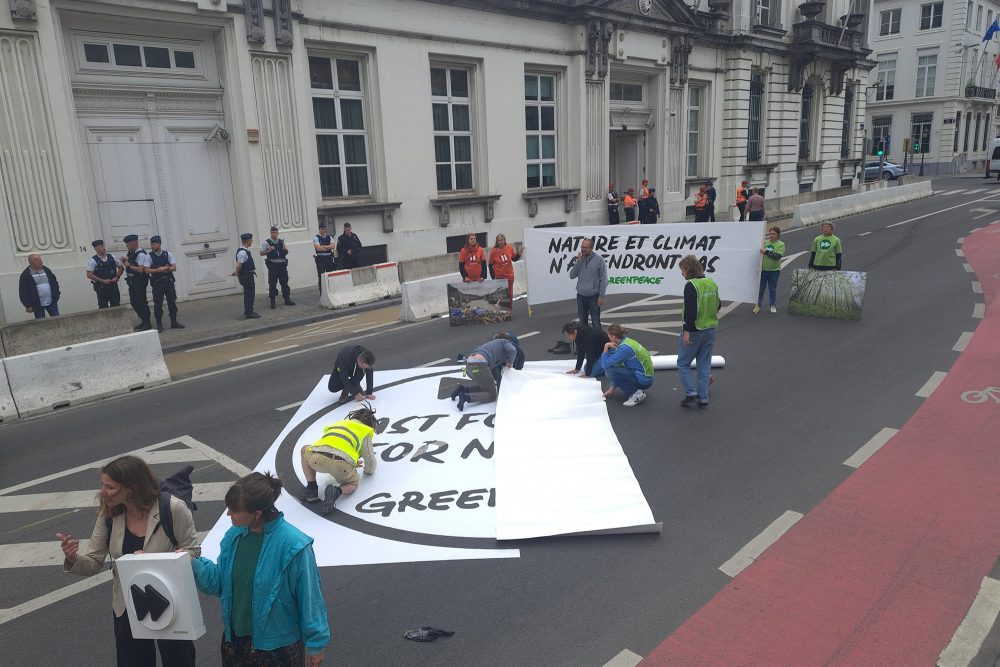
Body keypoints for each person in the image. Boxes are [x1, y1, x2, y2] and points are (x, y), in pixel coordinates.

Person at [57, 455, 199, 667]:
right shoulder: (109, 513)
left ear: (132, 488)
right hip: (128, 602)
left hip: (171, 598)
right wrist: (72, 557)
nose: (103, 492)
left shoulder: (173, 508)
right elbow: (94, 560)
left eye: (110, 487)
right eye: (103, 485)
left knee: (178, 660)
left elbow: (193, 552)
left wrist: (154, 560)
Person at [190, 473, 329, 666]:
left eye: (234, 510)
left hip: (277, 650)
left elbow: (310, 598)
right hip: (235, 643)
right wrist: (193, 564)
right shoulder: (233, 537)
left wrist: (316, 644)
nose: (228, 514)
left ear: (257, 514)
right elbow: (220, 584)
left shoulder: (294, 546)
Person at [299, 404, 378, 514]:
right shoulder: (364, 431)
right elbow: (370, 460)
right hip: (342, 466)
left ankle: (311, 488)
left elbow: (333, 446)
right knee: (353, 483)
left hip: (318, 459)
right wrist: (368, 471)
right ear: (370, 425)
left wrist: (354, 462)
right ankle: (337, 491)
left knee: (304, 449)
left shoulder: (339, 423)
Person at [677, 255, 721, 409]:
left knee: (683, 363)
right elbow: (718, 305)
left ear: (688, 269)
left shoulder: (691, 285)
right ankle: (703, 397)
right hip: (710, 329)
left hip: (694, 330)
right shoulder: (711, 283)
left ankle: (691, 393)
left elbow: (690, 311)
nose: (681, 273)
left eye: (682, 270)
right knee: (704, 363)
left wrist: (687, 330)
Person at [449, 333, 520, 411]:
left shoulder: (492, 348)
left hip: (469, 367)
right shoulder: (506, 342)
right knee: (492, 395)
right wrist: (510, 362)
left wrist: (501, 389)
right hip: (478, 366)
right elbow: (512, 350)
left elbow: (498, 378)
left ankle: (462, 389)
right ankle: (466, 397)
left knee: (488, 387)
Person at [598, 323, 653, 406]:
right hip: (645, 376)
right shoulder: (627, 341)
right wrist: (611, 389)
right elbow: (619, 367)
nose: (608, 338)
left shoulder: (624, 349)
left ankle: (637, 394)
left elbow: (605, 365)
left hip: (644, 380)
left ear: (613, 337)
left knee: (609, 371)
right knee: (614, 367)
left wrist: (606, 346)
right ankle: (636, 391)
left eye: (609, 336)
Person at [144, 236, 185, 332]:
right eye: (151, 244)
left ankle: (174, 321)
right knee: (158, 304)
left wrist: (166, 268)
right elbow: (146, 270)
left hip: (168, 282)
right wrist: (158, 270)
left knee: (172, 302)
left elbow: (174, 267)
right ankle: (159, 324)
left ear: (159, 244)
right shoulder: (149, 256)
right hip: (158, 283)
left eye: (154, 244)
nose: (152, 246)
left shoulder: (167, 254)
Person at [568, 238, 607, 329]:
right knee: (583, 324)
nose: (583, 249)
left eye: (586, 247)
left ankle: (598, 342)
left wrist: (601, 296)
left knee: (596, 323)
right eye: (582, 247)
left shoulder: (599, 260)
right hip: (581, 297)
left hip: (594, 297)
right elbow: (572, 275)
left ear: (592, 248)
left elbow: (604, 279)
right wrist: (578, 261)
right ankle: (586, 343)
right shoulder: (579, 260)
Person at [260, 225, 295, 309]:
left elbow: (285, 252)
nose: (273, 234)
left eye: (275, 232)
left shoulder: (281, 241)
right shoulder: (266, 242)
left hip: (282, 265)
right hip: (273, 266)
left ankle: (287, 299)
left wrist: (285, 249)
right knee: (272, 284)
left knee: (284, 282)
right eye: (272, 232)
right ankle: (272, 301)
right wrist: (269, 250)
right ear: (270, 233)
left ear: (278, 233)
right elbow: (261, 253)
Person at [121, 234, 151, 330]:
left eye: (127, 244)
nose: (126, 246)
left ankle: (147, 323)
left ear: (133, 243)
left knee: (141, 302)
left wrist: (128, 265)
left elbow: (141, 270)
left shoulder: (141, 254)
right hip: (132, 281)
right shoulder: (131, 252)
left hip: (139, 281)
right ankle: (143, 320)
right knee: (134, 302)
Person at [19, 254, 61, 319]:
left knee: (57, 319)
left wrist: (57, 294)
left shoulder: (46, 270)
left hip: (51, 302)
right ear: (32, 263)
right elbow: (23, 291)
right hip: (37, 304)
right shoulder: (26, 274)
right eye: (39, 261)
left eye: (40, 260)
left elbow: (54, 282)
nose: (41, 262)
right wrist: (27, 305)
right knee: (41, 323)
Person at [86, 240, 124, 309]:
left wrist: (117, 277)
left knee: (116, 305)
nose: (104, 248)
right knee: (103, 307)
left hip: (113, 286)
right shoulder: (93, 260)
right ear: (96, 249)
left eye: (103, 246)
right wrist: (103, 281)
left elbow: (121, 267)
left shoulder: (112, 257)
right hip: (101, 287)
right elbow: (89, 275)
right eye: (101, 246)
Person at [755, 226, 785, 314]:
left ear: (778, 235)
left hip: (774, 271)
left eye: (774, 234)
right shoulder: (764, 242)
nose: (771, 235)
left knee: (772, 288)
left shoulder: (781, 244)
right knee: (761, 289)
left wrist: (766, 252)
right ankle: (758, 305)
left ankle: (773, 305)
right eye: (770, 234)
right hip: (763, 270)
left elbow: (777, 256)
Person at [488, 234, 520, 312]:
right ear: (497, 242)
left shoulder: (509, 247)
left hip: (509, 275)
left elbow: (514, 259)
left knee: (509, 294)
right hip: (499, 277)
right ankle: (502, 310)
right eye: (499, 240)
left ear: (504, 240)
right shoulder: (494, 251)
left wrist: (519, 253)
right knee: (501, 294)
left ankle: (509, 309)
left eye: (502, 240)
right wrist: (493, 276)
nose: (500, 242)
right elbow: (490, 265)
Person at [234, 232, 260, 319]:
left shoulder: (245, 251)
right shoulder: (242, 252)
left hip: (247, 275)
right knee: (249, 294)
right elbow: (239, 265)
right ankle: (249, 313)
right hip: (246, 276)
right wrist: (237, 273)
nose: (251, 242)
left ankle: (249, 311)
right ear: (247, 241)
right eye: (251, 240)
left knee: (249, 294)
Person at [313, 222, 336, 289]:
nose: (323, 230)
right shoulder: (316, 238)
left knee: (330, 275)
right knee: (321, 276)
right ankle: (322, 291)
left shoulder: (329, 237)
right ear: (319, 229)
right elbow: (318, 248)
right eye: (322, 229)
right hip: (320, 258)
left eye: (324, 229)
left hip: (329, 258)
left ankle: (331, 289)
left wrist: (323, 246)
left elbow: (333, 246)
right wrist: (328, 247)